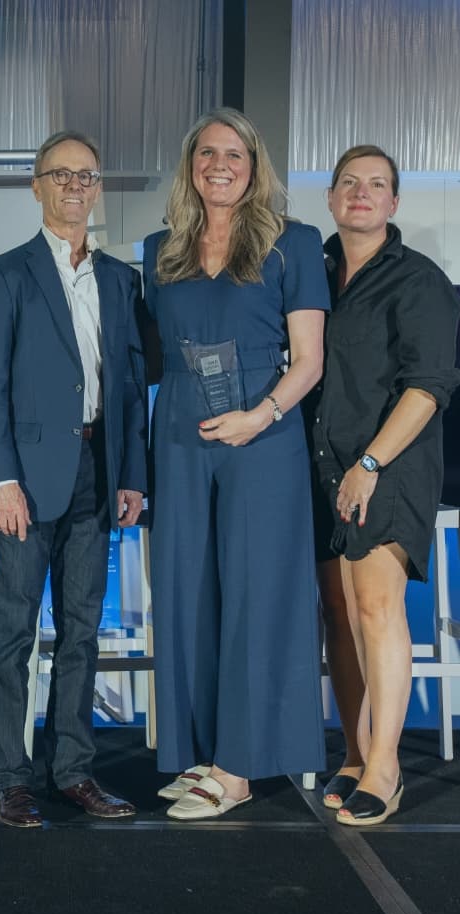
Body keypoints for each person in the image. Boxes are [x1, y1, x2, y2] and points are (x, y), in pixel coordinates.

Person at [143, 107, 329, 820]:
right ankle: (199, 752)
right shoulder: (162, 249)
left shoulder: (294, 244)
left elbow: (308, 361)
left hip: (263, 434)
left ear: (255, 168)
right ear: (191, 164)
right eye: (207, 153)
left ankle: (241, 768)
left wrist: (261, 416)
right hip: (183, 435)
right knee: (186, 591)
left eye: (235, 155)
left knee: (257, 595)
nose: (219, 165)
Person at [0, 130, 147, 828]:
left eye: (87, 175)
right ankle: (12, 778)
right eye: (60, 174)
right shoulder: (3, 275)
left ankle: (71, 770)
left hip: (97, 477)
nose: (75, 185)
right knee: (12, 633)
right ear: (36, 186)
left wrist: (131, 473)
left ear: (99, 188)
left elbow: (128, 383)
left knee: (80, 632)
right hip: (26, 481)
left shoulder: (120, 280)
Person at [312, 145, 460, 826]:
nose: (361, 193)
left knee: (376, 609)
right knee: (338, 617)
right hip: (321, 467)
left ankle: (386, 767)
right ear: (334, 197)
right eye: (349, 182)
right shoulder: (314, 272)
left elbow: (430, 386)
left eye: (376, 184)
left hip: (386, 468)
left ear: (395, 203)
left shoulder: (419, 279)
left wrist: (368, 465)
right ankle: (354, 750)